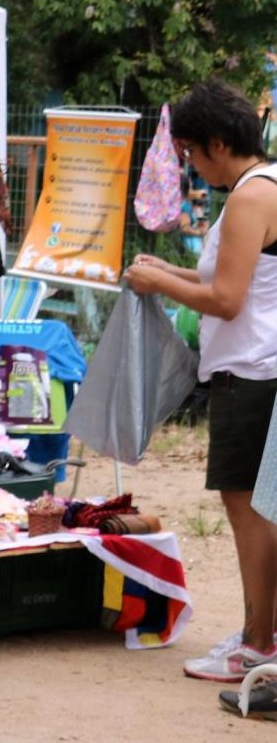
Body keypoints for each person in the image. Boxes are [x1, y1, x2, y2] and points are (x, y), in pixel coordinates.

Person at [124, 79, 277, 700]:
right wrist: (170, 271)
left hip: (253, 372)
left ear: (218, 142)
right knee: (258, 511)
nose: (189, 164)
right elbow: (232, 277)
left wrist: (161, 286)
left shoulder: (248, 197)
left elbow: (225, 298)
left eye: (190, 152)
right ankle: (262, 639)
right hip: (257, 368)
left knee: (250, 514)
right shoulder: (261, 187)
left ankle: (256, 644)